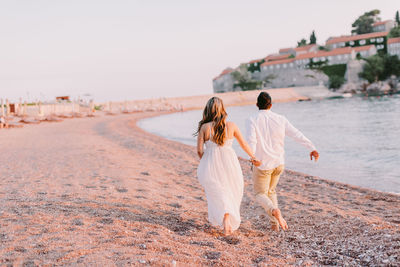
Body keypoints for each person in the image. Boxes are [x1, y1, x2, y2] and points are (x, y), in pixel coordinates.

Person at [246, 92, 319, 232]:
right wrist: (312, 148)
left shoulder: (252, 119)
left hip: (262, 164)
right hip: (279, 163)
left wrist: (253, 157)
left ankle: (274, 211)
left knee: (260, 194)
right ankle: (275, 224)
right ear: (271, 105)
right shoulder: (280, 119)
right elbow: (296, 134)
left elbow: (251, 141)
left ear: (257, 105)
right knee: (271, 191)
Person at [196, 97, 259, 236]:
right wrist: (253, 157)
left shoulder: (205, 128)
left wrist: (206, 161)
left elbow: (200, 151)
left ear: (207, 110)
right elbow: (244, 144)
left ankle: (225, 216)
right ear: (222, 109)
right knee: (232, 189)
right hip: (230, 162)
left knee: (217, 191)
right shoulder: (232, 126)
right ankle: (227, 218)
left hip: (211, 162)